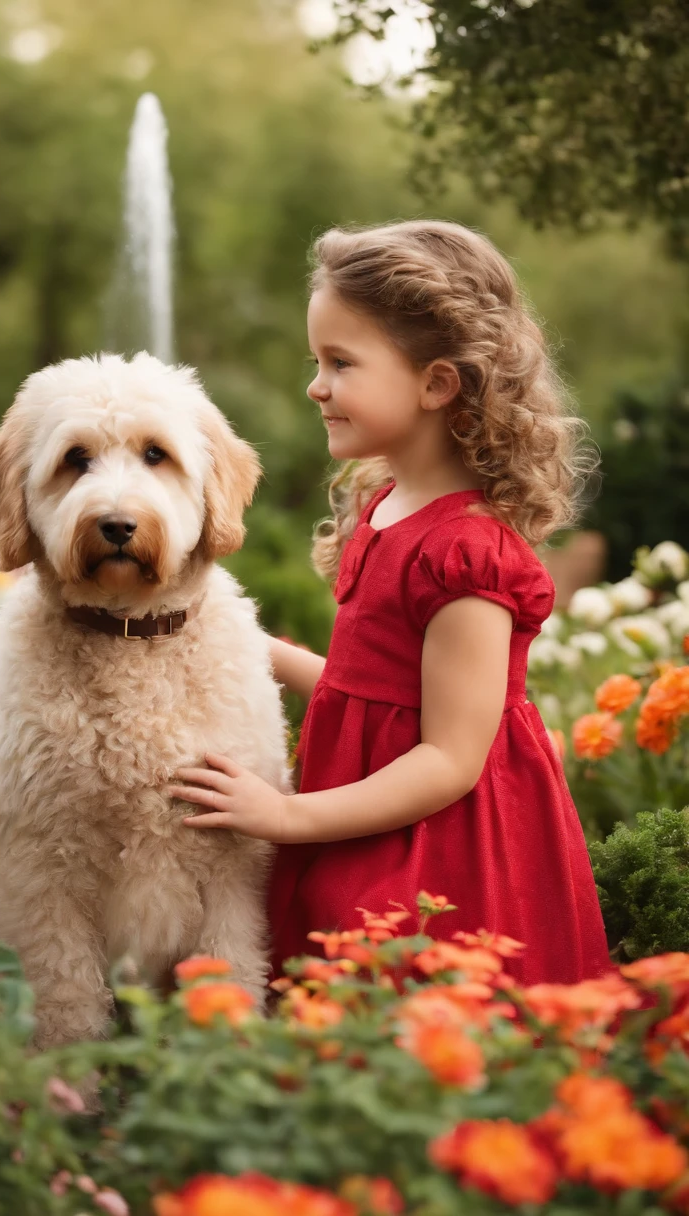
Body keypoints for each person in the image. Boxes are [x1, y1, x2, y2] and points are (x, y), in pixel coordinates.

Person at [168, 219, 611, 986]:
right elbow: (364, 689)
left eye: (340, 362)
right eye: (318, 361)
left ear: (437, 384)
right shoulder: (387, 508)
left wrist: (288, 817)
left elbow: (448, 759)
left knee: (406, 1021)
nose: (316, 385)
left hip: (440, 853)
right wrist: (228, 636)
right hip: (369, 816)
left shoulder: (468, 554)